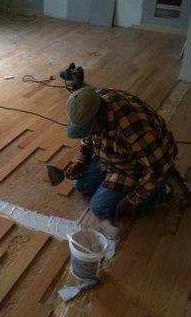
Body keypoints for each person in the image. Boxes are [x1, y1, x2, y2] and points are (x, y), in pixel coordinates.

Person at [65, 87, 178, 223]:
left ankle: (160, 192)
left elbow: (161, 169)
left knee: (100, 208)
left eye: (90, 128)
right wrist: (81, 162)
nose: (89, 133)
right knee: (82, 186)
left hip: (145, 163)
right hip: (115, 155)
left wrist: (130, 201)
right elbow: (88, 138)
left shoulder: (136, 131)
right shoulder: (94, 103)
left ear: (101, 113)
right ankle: (112, 184)